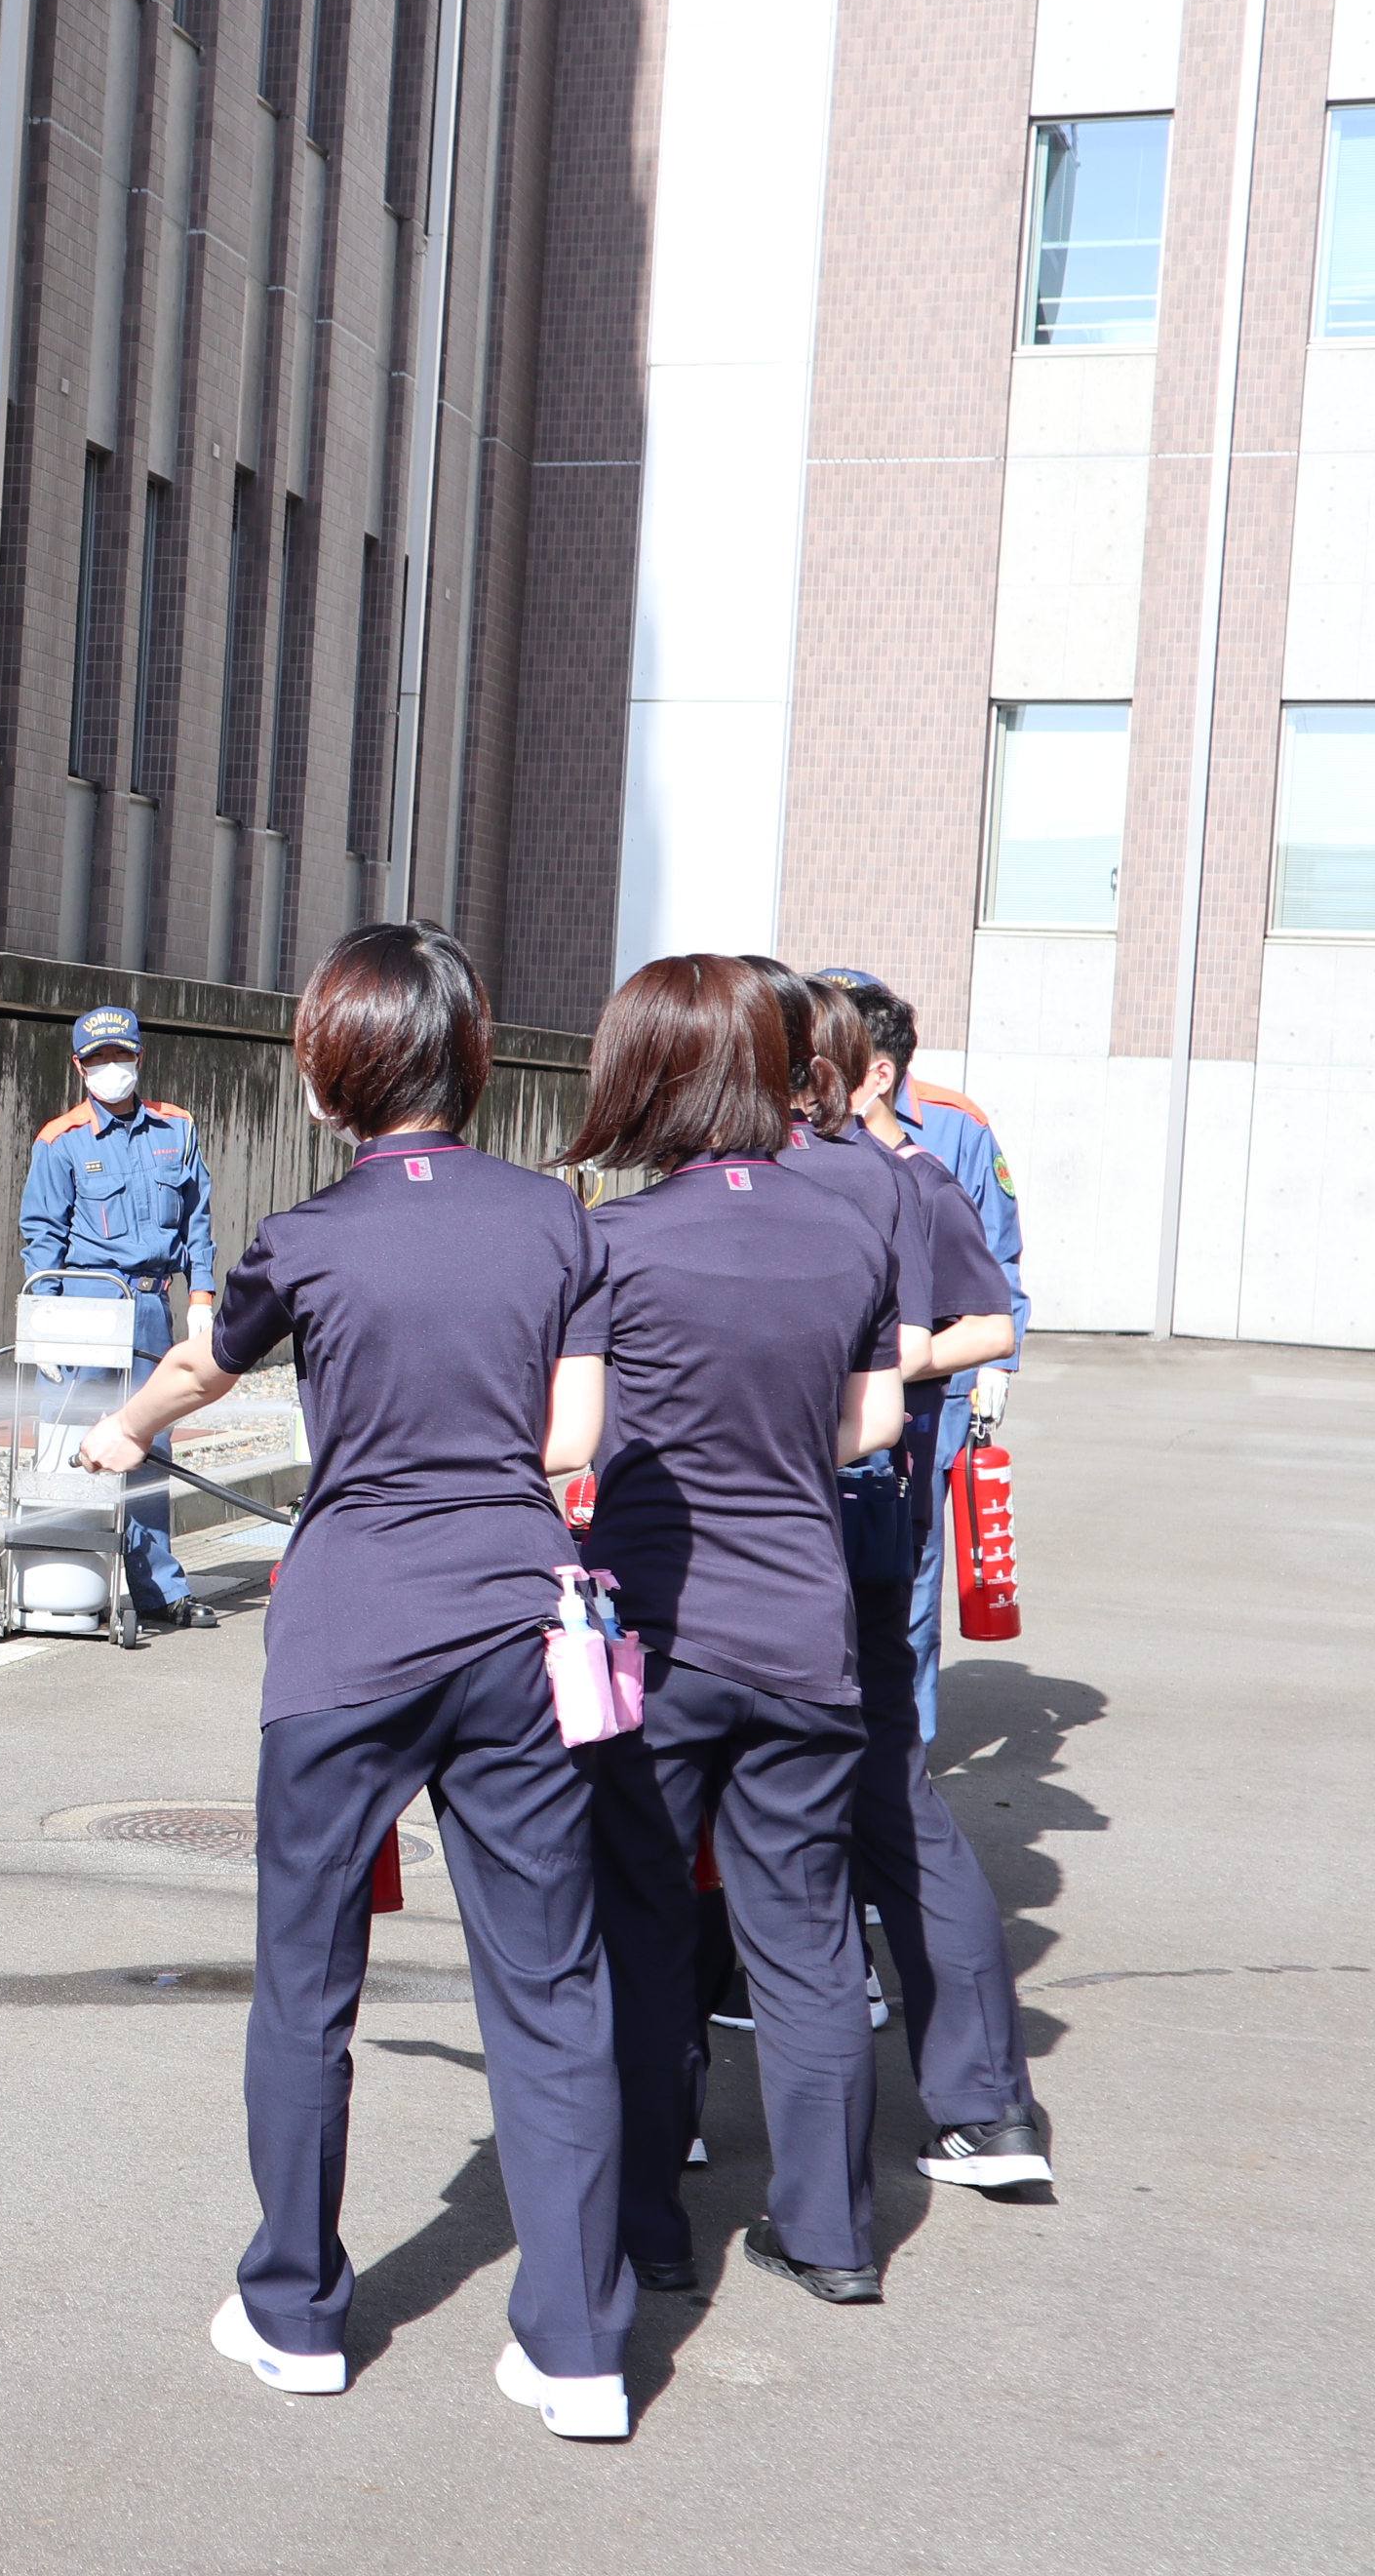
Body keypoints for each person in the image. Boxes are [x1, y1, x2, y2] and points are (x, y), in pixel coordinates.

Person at [82, 924, 633, 2440]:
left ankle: (297, 2315)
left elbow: (205, 1366)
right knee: (550, 1984)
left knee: (308, 1986)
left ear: (332, 1077)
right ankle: (579, 2351)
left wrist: (123, 1433)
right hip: (518, 1627)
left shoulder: (306, 1237)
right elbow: (573, 1440)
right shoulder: (556, 1221)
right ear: (468, 1060)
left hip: (346, 1639)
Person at [563, 955, 909, 2308]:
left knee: (644, 1929)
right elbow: (875, 1422)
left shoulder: (615, 1243)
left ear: (649, 1078)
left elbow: (571, 1436)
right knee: (807, 1937)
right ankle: (830, 2235)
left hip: (659, 1637)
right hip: (806, 1630)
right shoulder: (849, 1229)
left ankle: (649, 2222)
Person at [818, 981, 1057, 2191]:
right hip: (839, 1501)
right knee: (874, 1783)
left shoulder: (921, 1158)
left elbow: (993, 1311)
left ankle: (669, 2127)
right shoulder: (865, 1174)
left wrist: (901, 1373)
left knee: (746, 1784)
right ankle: (972, 2103)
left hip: (853, 1497)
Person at [817, 969, 1026, 1743]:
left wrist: (990, 1370)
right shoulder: (788, 1135)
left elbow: (995, 1267)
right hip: (821, 1397)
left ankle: (908, 1751)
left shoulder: (951, 1131)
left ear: (876, 1066)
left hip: (923, 1396)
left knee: (908, 1576)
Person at [20, 1005, 219, 1634]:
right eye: (99, 1058)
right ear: (79, 1067)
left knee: (150, 1442)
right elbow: (42, 1235)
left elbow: (198, 1221)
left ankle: (159, 1592)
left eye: (121, 1055)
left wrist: (201, 1299)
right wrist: (46, 1320)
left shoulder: (177, 1128)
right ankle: (69, 1582)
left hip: (152, 1307)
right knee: (75, 1439)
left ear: (140, 1057)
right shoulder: (61, 1140)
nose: (112, 1067)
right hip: (88, 1306)